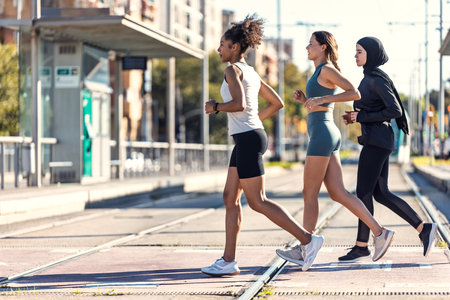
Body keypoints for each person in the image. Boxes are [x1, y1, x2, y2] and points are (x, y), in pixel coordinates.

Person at [201, 15, 323, 276]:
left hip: (248, 139)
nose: (219, 49)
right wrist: (253, 121)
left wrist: (216, 108)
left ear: (234, 47)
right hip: (248, 136)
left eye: (222, 44)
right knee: (229, 198)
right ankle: (228, 260)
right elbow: (277, 102)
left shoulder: (232, 70)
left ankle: (308, 240)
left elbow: (239, 104)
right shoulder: (252, 72)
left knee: (257, 201)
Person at [276, 31, 395, 265]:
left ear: (322, 47)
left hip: (321, 135)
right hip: (325, 132)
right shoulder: (320, 71)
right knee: (338, 193)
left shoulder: (327, 70)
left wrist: (322, 100)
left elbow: (354, 93)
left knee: (309, 193)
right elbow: (322, 100)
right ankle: (380, 232)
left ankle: (306, 246)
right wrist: (306, 100)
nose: (306, 48)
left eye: (310, 44)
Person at [338, 36, 437, 262]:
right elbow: (378, 109)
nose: (355, 55)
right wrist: (356, 118)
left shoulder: (375, 80)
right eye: (356, 51)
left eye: (359, 51)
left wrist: (361, 115)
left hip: (377, 141)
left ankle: (362, 245)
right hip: (378, 139)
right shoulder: (370, 78)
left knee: (363, 192)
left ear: (370, 54)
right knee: (380, 193)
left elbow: (394, 110)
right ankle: (424, 229)